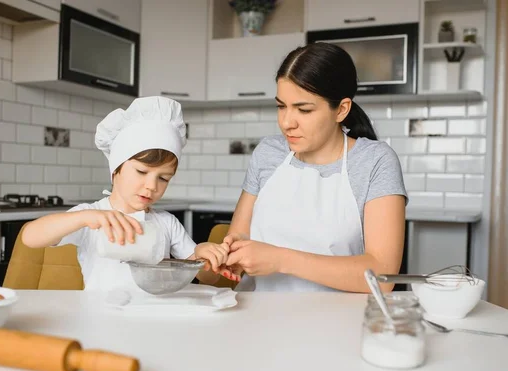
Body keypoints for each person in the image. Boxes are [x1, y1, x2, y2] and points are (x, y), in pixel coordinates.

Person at [214, 43, 408, 293]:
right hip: (258, 316)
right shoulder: (267, 153)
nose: (286, 123)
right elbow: (240, 236)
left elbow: (382, 275)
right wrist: (232, 253)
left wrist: (280, 260)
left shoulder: (374, 161)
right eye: (281, 106)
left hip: (339, 323)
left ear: (341, 109)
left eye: (303, 109)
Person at [21, 96, 228, 291]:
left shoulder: (166, 223)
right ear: (115, 170)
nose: (151, 186)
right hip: (102, 320)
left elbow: (208, 278)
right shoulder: (93, 215)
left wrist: (203, 256)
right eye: (141, 172)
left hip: (153, 319)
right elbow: (30, 237)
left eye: (163, 178)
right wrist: (83, 218)